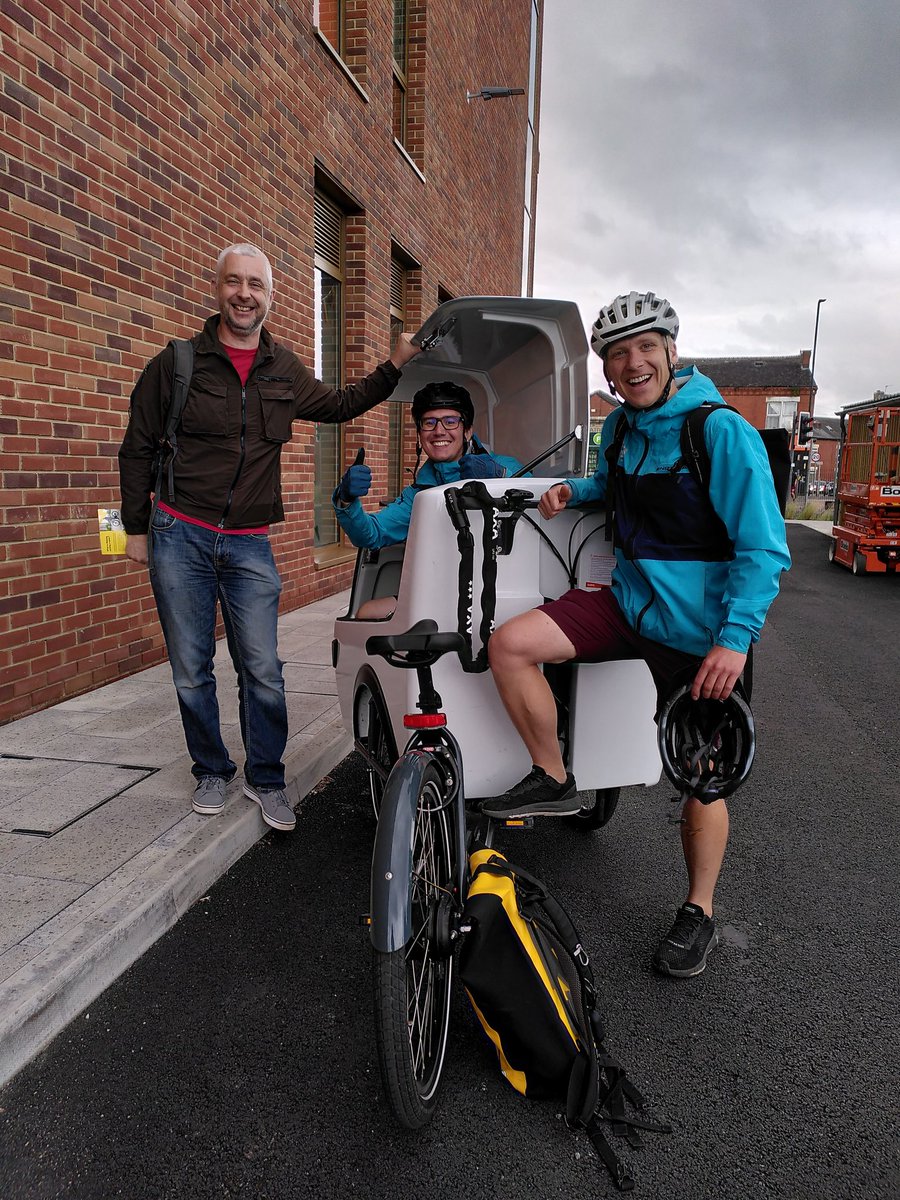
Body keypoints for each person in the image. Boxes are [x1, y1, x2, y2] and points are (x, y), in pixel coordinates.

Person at [481, 290, 791, 978]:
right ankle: (554, 773)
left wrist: (734, 640)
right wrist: (578, 492)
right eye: (618, 356)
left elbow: (763, 550)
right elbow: (617, 484)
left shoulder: (719, 431)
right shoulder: (619, 432)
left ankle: (699, 911)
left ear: (671, 353)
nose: (633, 362)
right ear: (610, 374)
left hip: (701, 635)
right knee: (510, 644)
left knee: (703, 782)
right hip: (628, 608)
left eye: (646, 347)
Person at [118, 243, 419, 832]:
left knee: (262, 667)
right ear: (217, 287)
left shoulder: (283, 369)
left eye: (255, 284)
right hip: (179, 533)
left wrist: (396, 364)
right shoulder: (176, 365)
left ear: (269, 296)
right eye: (235, 281)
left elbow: (340, 404)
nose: (244, 294)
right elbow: (137, 446)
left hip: (250, 542)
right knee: (191, 666)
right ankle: (211, 769)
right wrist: (132, 527)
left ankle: (267, 778)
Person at [333, 380, 523, 617]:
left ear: (467, 431)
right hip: (438, 594)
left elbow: (533, 498)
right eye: (429, 422)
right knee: (367, 612)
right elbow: (372, 534)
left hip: (502, 592)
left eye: (450, 421)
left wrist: (497, 480)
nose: (439, 431)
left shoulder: (504, 467)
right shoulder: (419, 495)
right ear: (420, 434)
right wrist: (347, 498)